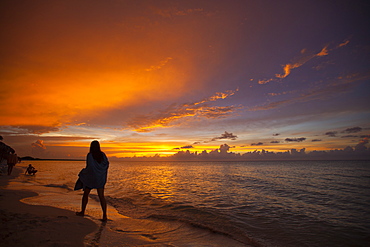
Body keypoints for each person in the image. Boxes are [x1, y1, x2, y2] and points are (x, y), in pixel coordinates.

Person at [74, 140, 109, 221]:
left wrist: (83, 172)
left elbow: (89, 167)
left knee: (85, 194)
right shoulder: (103, 155)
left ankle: (82, 211)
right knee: (101, 197)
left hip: (91, 179)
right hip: (100, 179)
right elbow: (106, 165)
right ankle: (104, 216)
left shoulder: (90, 155)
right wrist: (100, 173)